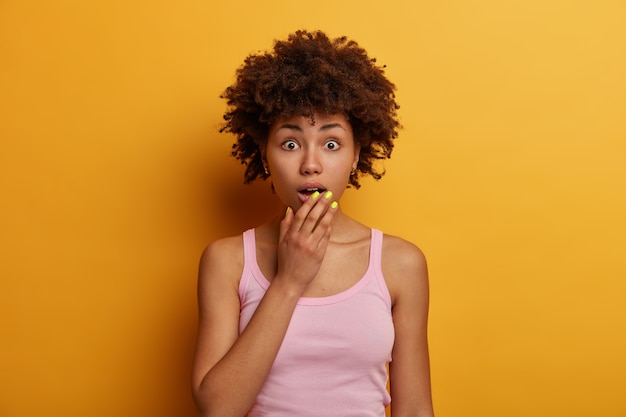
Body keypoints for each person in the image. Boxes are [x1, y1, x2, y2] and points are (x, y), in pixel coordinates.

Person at [191, 30, 434, 417]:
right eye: (290, 143)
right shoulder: (228, 261)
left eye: (332, 143)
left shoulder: (400, 263)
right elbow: (217, 409)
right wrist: (289, 281)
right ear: (265, 155)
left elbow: (416, 409)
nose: (310, 164)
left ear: (357, 155)